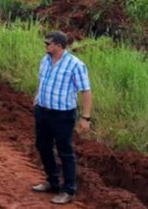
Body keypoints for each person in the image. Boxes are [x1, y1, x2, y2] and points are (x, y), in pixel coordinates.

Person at [32, 30, 92, 205]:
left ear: (58, 45)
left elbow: (86, 91)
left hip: (63, 115)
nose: (46, 46)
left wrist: (85, 118)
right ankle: (52, 181)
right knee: (42, 146)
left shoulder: (75, 65)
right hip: (43, 111)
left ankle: (68, 190)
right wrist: (37, 98)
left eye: (48, 43)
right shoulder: (45, 60)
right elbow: (42, 81)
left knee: (65, 151)